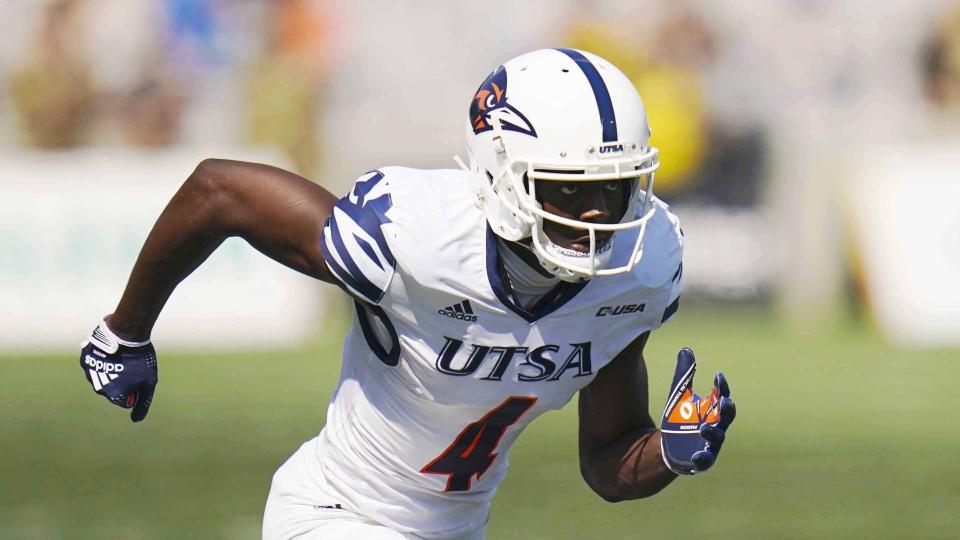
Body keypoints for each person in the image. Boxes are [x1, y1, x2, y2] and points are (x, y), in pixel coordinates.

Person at [79, 49, 736, 540]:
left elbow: (608, 459)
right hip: (337, 512)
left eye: (613, 189)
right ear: (501, 176)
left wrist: (671, 454)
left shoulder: (639, 271)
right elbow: (218, 190)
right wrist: (124, 332)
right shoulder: (416, 236)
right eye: (569, 189)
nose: (596, 216)